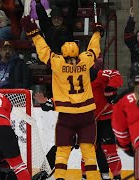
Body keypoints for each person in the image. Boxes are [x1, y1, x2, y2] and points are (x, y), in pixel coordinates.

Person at [21, 15, 103, 179]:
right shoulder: (85, 60)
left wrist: (36, 35)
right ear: (78, 52)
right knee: (89, 153)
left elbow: (44, 51)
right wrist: (97, 32)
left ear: (63, 53)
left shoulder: (57, 62)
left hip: (66, 115)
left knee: (62, 151)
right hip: (87, 114)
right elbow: (95, 49)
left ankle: (59, 178)